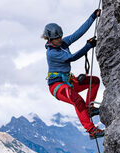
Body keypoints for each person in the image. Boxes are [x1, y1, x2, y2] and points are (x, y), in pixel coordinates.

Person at [43, 9, 104, 139]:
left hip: (68, 81)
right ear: (49, 39)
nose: (59, 39)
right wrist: (88, 46)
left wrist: (93, 17)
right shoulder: (52, 53)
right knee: (77, 100)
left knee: (94, 81)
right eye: (56, 38)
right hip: (57, 86)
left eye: (60, 36)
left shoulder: (63, 43)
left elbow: (78, 33)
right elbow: (72, 57)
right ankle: (91, 130)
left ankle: (90, 108)